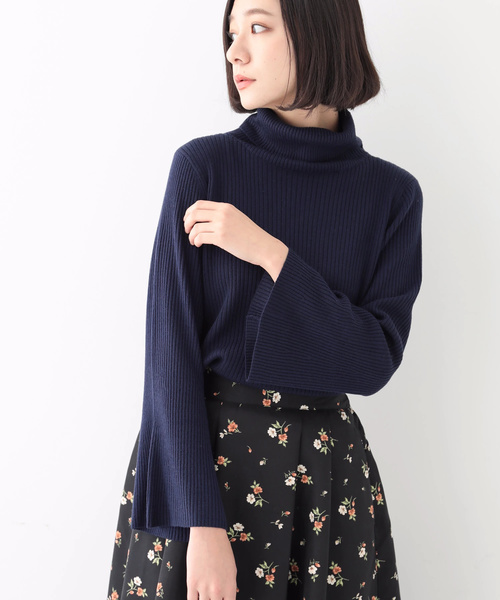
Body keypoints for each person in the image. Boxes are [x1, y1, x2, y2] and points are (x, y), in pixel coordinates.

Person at [107, 0, 423, 598]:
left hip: (328, 487)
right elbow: (169, 359)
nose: (235, 52)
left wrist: (269, 254)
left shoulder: (392, 195)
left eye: (257, 27)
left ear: (319, 30)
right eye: (231, 33)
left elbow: (373, 362)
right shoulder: (204, 167)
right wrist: (201, 526)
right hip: (205, 475)